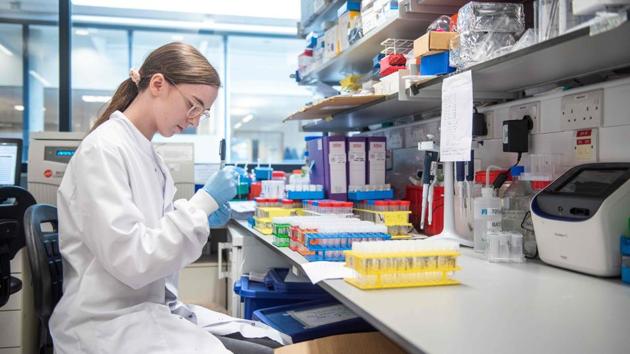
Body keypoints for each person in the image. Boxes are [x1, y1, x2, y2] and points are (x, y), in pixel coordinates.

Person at [50, 42, 285, 353]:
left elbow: (147, 229)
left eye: (203, 111)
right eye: (193, 104)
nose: (195, 120)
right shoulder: (104, 149)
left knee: (273, 340)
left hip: (147, 310)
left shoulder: (147, 153)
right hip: (107, 324)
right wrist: (201, 206)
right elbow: (133, 259)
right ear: (158, 84)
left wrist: (196, 214)